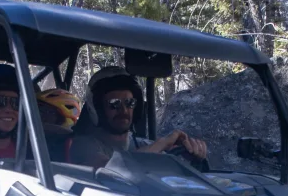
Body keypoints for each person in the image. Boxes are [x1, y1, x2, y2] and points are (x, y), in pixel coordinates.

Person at [69, 66, 207, 168]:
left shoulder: (143, 144)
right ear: (97, 109)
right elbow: (112, 168)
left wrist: (193, 156)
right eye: (114, 104)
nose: (124, 110)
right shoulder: (83, 145)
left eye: (130, 103)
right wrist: (160, 144)